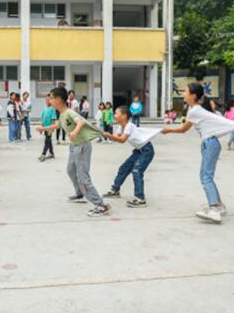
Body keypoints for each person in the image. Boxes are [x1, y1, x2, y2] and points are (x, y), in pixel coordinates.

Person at [162, 82, 234, 224]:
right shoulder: (195, 109)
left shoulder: (194, 110)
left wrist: (168, 130)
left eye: (186, 91)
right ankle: (219, 205)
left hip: (210, 143)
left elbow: (183, 129)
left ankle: (214, 209)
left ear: (193, 95)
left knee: (206, 177)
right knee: (206, 176)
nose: (184, 94)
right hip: (209, 143)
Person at [37, 87, 110, 217]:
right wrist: (43, 128)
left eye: (51, 98)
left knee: (83, 177)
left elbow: (80, 121)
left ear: (58, 100)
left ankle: (101, 205)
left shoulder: (69, 112)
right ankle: (80, 193)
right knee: (71, 171)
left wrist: (75, 132)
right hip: (74, 146)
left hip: (82, 146)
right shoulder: (62, 114)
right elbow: (57, 125)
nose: (49, 100)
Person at [102, 106, 156, 208]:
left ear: (124, 116)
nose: (114, 115)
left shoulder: (129, 126)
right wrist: (105, 135)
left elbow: (122, 140)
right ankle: (115, 190)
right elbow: (116, 137)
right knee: (124, 168)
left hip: (146, 151)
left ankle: (140, 199)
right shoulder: (121, 126)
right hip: (138, 151)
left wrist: (108, 136)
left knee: (136, 171)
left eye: (116, 113)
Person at [38, 96, 57, 162]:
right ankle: (51, 153)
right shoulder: (44, 108)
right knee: (49, 141)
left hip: (49, 128)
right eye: (46, 99)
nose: (47, 101)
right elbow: (42, 119)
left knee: (47, 140)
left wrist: (51, 129)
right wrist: (41, 128)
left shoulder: (53, 109)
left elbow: (53, 119)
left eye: (49, 99)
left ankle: (43, 154)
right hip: (45, 128)